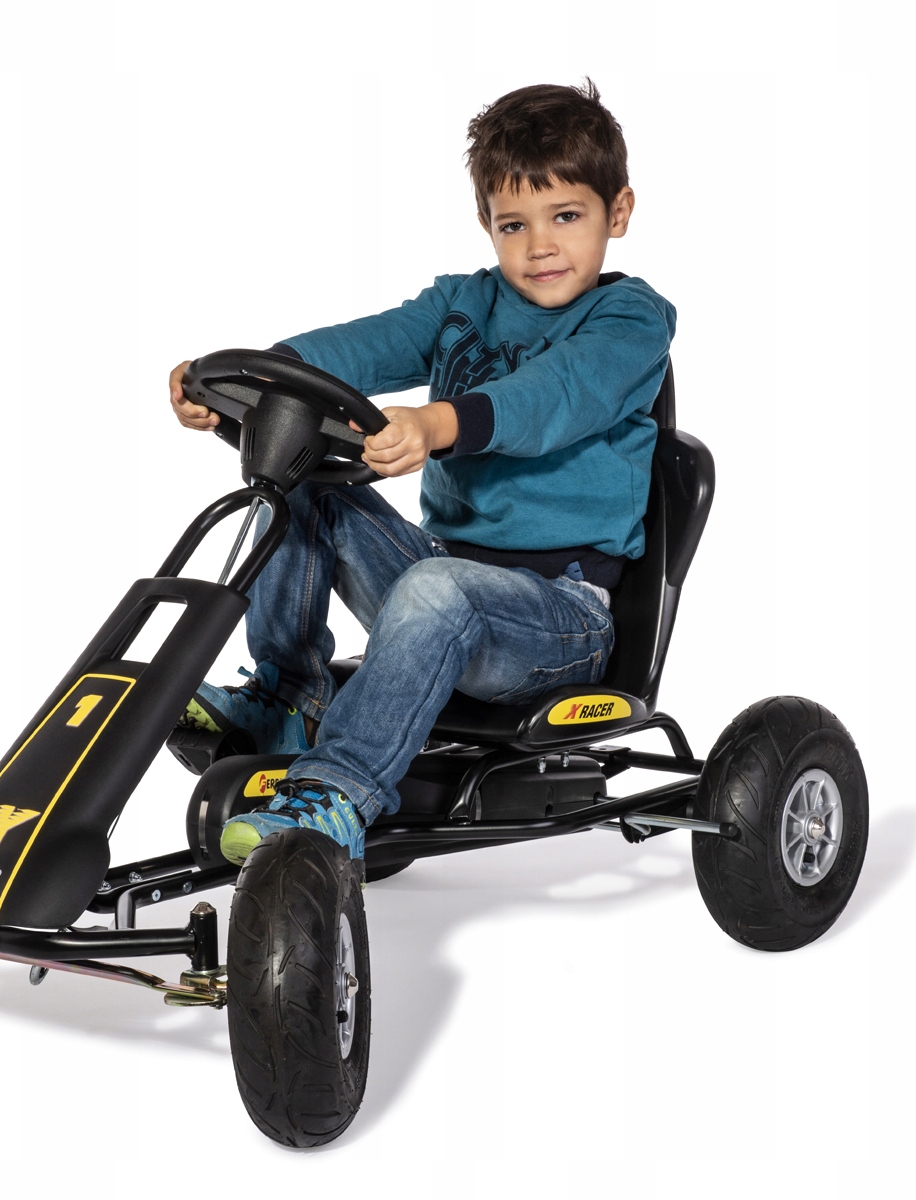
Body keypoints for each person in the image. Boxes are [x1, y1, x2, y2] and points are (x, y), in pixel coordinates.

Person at [166, 80, 676, 867]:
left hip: (559, 618)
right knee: (298, 479)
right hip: (436, 582)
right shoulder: (462, 303)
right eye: (515, 225)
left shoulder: (631, 321)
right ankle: (288, 697)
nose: (540, 246)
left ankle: (338, 790)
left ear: (619, 211)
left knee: (440, 590)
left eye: (566, 216)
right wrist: (248, 377)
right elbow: (362, 346)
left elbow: (556, 397)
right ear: (487, 224)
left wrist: (438, 425)